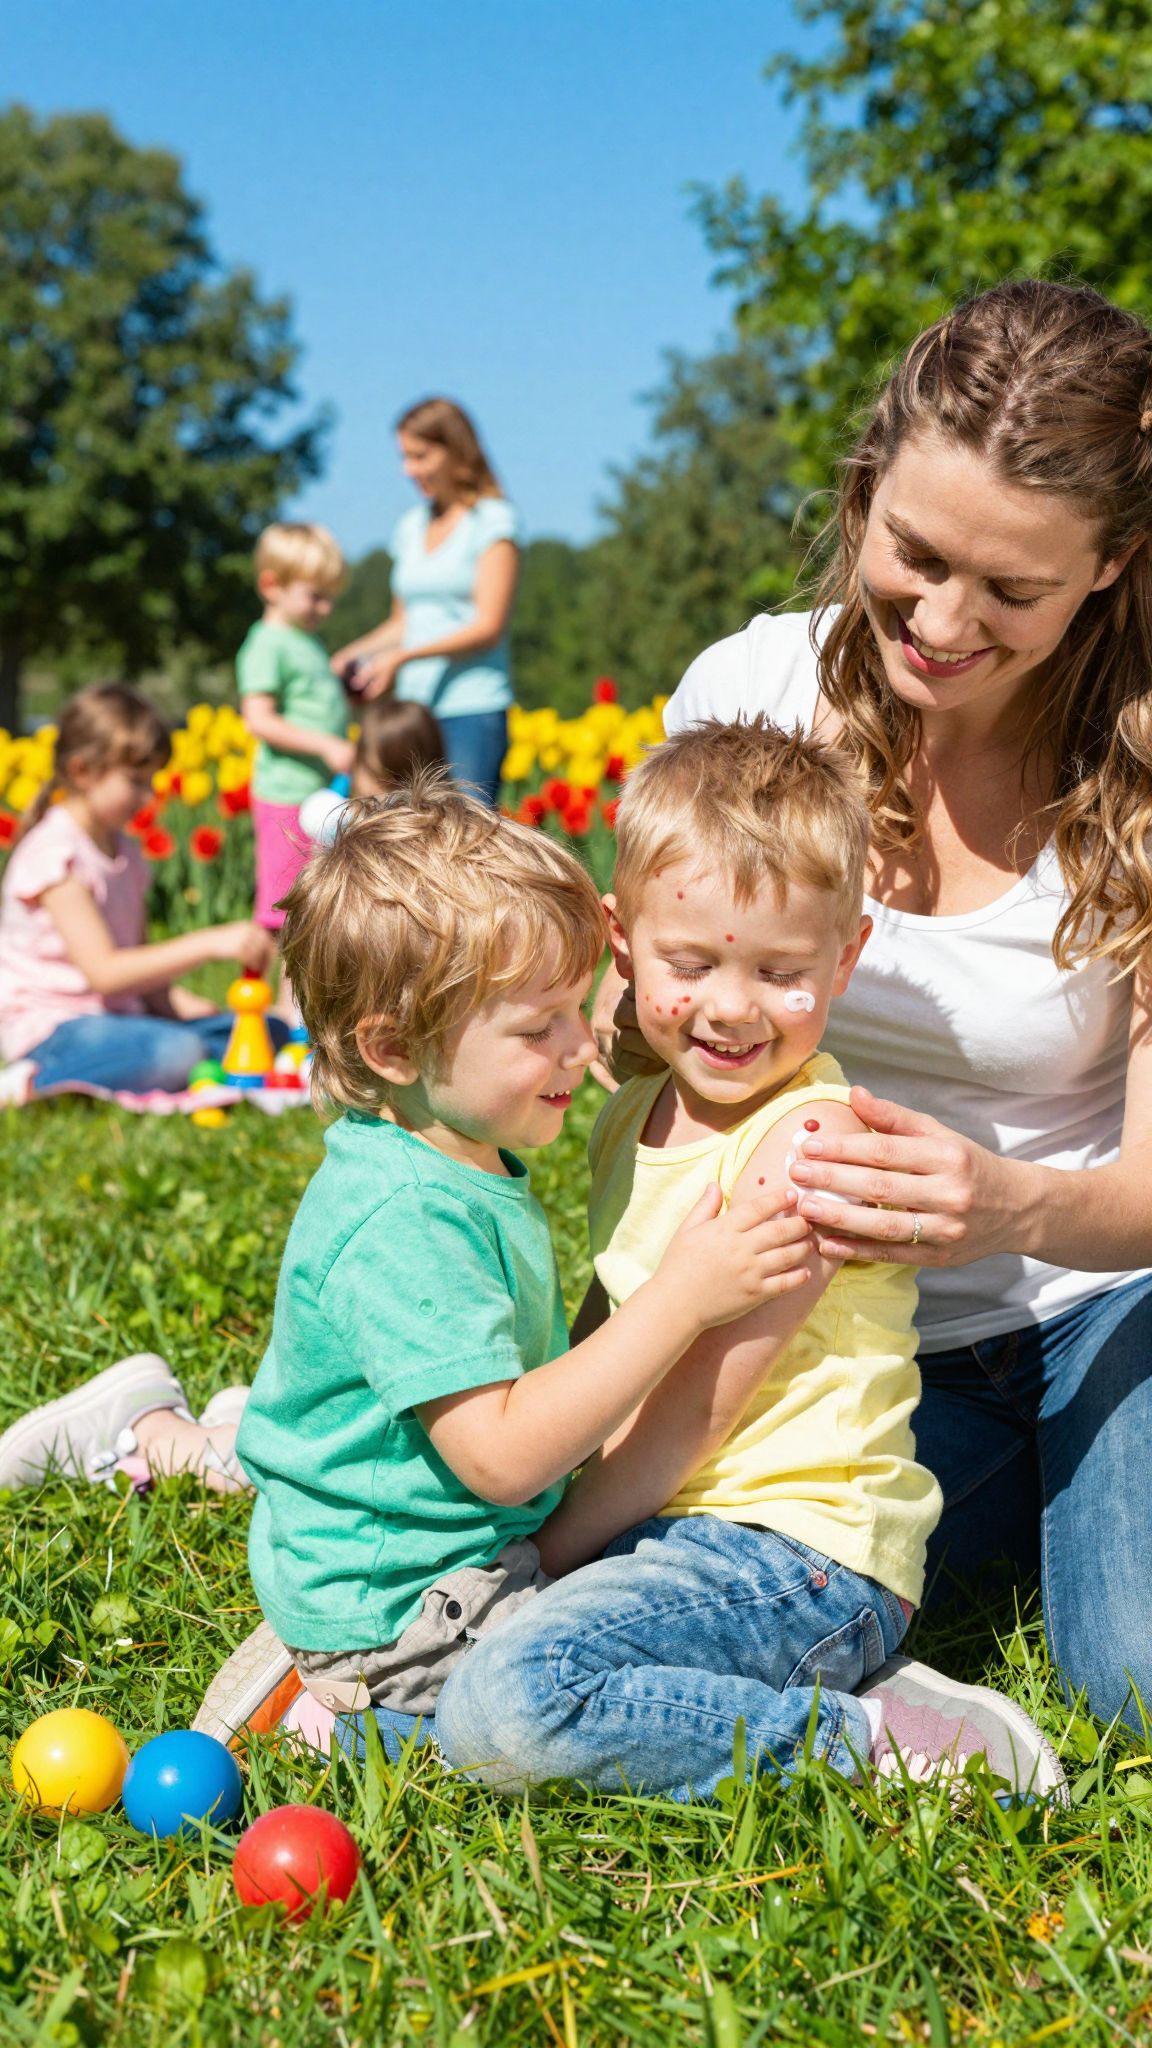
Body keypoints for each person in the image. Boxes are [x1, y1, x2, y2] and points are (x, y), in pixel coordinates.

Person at [593, 278, 1152, 1733]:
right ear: (865, 491)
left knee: (1136, 1679)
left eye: (1014, 591)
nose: (944, 622)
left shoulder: (1143, 770)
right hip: (851, 1347)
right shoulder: (751, 696)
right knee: (630, 1588)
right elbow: (627, 1014)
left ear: (1111, 567)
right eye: (916, 553)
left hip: (1106, 1302)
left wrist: (1008, 1206)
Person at [433, 717, 1063, 1803]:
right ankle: (811, 1690)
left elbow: (694, 1410)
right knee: (457, 1655)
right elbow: (613, 1323)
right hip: (672, 1528)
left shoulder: (806, 1144)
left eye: (781, 970)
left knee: (505, 1708)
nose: (732, 1006)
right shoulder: (634, 1109)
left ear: (847, 954)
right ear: (622, 935)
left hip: (797, 1550)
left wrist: (551, 1544)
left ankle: (885, 1743)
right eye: (692, 962)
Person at [0, 683, 276, 1107]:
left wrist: (183, 1006)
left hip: (119, 1020)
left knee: (259, 1031)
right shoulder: (56, 855)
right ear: (81, 771)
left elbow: (140, 969)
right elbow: (106, 974)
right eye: (135, 782)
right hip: (55, 1028)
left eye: (151, 781)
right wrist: (208, 943)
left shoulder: (125, 852)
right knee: (176, 1052)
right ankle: (34, 1081)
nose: (149, 796)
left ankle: (170, 1050)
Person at [332, 398, 520, 805]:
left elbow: (488, 625)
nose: (408, 470)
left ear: (455, 450)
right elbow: (402, 623)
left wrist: (401, 659)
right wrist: (352, 655)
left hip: (471, 707)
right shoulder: (410, 527)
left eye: (420, 456)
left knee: (465, 836)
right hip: (414, 712)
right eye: (404, 457)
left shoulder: (492, 521)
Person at [238, 521, 353, 1012]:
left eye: (330, 598)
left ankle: (288, 1007)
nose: (324, 609)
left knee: (307, 901)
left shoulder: (305, 641)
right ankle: (283, 1013)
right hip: (284, 793)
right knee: (286, 907)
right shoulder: (266, 642)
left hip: (310, 795)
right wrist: (326, 745)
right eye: (314, 596)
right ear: (272, 585)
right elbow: (258, 717)